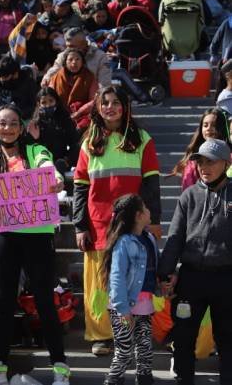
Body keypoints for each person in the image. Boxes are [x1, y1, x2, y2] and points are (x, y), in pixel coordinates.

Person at [0, 103, 70, 384]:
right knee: (5, 303)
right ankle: (0, 368)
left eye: (13, 123)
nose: (7, 128)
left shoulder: (36, 151)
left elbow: (48, 168)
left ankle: (60, 369)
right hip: (5, 236)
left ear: (21, 127)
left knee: (45, 301)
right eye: (2, 123)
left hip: (38, 235)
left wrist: (54, 178)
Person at [72, 87, 161, 356]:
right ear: (98, 108)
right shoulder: (89, 141)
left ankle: (129, 333)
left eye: (115, 103)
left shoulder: (143, 139)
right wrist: (79, 225)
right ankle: (101, 336)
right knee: (99, 286)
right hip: (98, 223)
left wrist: (153, 220)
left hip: (132, 224)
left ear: (126, 106)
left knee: (132, 279)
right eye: (105, 103)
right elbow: (79, 186)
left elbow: (151, 184)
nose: (110, 107)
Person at [158, 138, 232, 384]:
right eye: (200, 161)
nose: (204, 167)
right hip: (191, 278)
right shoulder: (188, 196)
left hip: (226, 279)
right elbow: (175, 238)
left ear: (227, 163)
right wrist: (165, 274)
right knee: (183, 339)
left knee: (228, 340)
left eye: (210, 161)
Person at [101, 194, 157, 385]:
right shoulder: (124, 242)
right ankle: (114, 379)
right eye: (146, 208)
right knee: (124, 348)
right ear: (138, 215)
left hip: (144, 305)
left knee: (144, 345)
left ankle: (144, 377)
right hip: (123, 307)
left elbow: (150, 270)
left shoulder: (149, 237)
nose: (150, 211)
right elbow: (116, 277)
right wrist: (123, 310)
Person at [171, 109, 231, 191]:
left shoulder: (229, 155)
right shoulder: (193, 160)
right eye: (205, 125)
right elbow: (188, 192)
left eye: (214, 125)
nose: (209, 129)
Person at [27, 87, 80, 174]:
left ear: (56, 101)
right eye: (44, 102)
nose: (48, 105)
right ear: (39, 104)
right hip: (43, 161)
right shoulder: (35, 123)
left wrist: (67, 159)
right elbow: (31, 147)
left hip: (62, 160)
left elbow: (74, 141)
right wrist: (35, 138)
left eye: (51, 101)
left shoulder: (64, 119)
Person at [48, 48, 97, 130]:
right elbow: (49, 97)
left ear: (82, 62)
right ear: (65, 62)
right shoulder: (56, 77)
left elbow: (94, 100)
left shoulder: (90, 77)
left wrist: (78, 112)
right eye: (70, 59)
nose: (74, 62)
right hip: (59, 115)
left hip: (82, 116)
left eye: (77, 59)